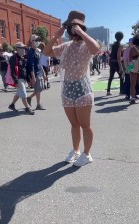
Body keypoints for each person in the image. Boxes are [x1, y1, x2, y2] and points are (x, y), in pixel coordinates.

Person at [44, 10, 99, 167]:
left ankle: (87, 154)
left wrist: (80, 31)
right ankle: (76, 150)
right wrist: (56, 35)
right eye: (72, 28)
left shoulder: (87, 45)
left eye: (77, 27)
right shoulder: (66, 46)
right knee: (74, 125)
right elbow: (46, 52)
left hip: (82, 89)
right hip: (67, 90)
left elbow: (95, 48)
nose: (73, 31)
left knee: (85, 125)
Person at [7, 42, 35, 115]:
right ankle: (27, 108)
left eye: (24, 49)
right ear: (18, 49)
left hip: (23, 79)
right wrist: (16, 81)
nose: (24, 50)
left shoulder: (23, 58)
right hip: (18, 79)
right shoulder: (13, 58)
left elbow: (24, 70)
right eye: (23, 48)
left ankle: (12, 105)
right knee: (24, 94)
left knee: (19, 93)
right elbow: (12, 70)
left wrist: (28, 80)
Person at [26, 34, 46, 110]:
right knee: (38, 89)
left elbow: (40, 63)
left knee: (39, 89)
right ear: (31, 41)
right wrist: (33, 77)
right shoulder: (30, 52)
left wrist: (43, 72)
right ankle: (38, 104)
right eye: (36, 40)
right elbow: (31, 65)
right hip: (35, 73)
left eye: (38, 40)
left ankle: (30, 98)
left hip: (39, 72)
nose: (38, 42)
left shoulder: (37, 51)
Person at [106, 31, 124, 96]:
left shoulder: (113, 45)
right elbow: (118, 56)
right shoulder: (120, 46)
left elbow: (111, 54)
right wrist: (121, 67)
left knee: (110, 77)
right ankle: (121, 91)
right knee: (121, 77)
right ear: (122, 38)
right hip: (117, 62)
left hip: (112, 63)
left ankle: (108, 91)